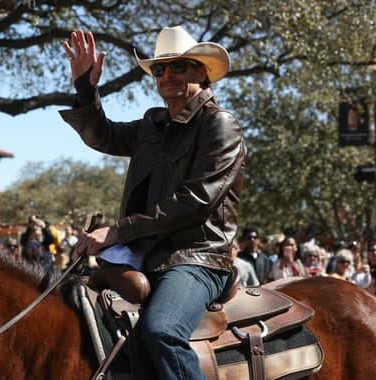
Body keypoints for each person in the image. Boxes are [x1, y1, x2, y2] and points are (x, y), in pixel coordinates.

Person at [62, 26, 245, 379]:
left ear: (202, 72)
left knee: (162, 330)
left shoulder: (220, 125)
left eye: (179, 66)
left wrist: (117, 231)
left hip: (198, 259)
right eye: (160, 69)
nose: (167, 76)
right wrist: (85, 87)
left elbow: (197, 200)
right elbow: (102, 135)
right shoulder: (153, 124)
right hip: (147, 256)